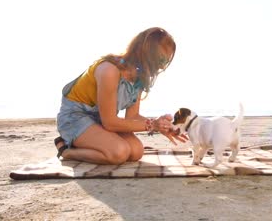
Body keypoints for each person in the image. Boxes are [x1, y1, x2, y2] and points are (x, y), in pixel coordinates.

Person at [54, 27, 188, 165]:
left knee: (136, 151)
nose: (160, 67)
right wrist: (153, 125)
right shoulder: (109, 70)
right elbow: (110, 123)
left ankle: (91, 141)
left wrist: (162, 126)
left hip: (101, 120)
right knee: (119, 152)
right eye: (160, 60)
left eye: (165, 62)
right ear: (144, 53)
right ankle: (66, 150)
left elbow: (133, 116)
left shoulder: (140, 77)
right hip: (75, 118)